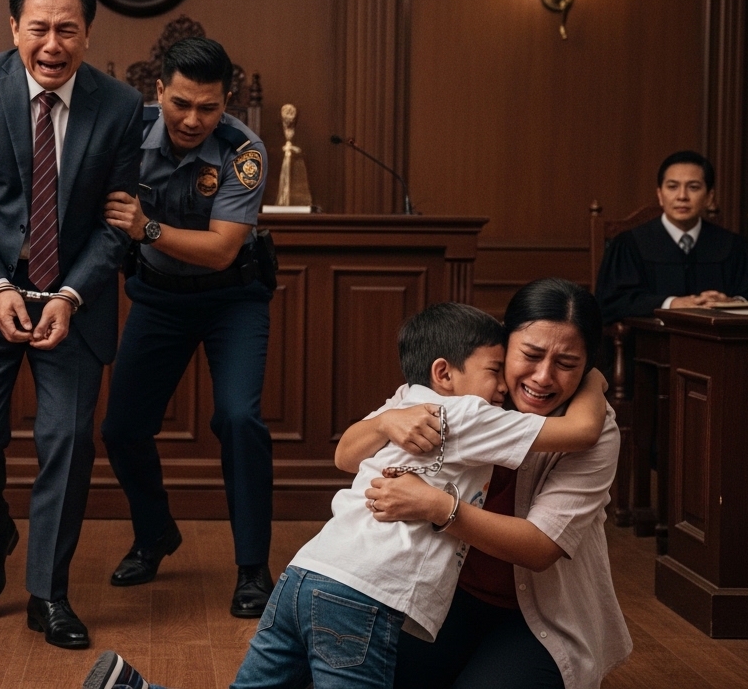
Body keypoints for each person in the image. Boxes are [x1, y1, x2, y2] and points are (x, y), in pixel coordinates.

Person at [81, 302, 608, 689]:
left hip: (305, 573)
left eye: (566, 362)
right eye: (499, 370)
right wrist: (594, 380)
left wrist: (397, 441)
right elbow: (581, 430)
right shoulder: (469, 413)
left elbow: (347, 455)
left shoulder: (407, 398)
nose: (504, 387)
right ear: (445, 373)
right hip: (366, 594)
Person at [0, 0, 143, 650]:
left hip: (73, 293)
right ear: (14, 27)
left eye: (67, 30)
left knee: (68, 443)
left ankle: (48, 594)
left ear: (88, 34)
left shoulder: (120, 105)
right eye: (39, 28)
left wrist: (71, 295)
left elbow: (117, 222)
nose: (52, 45)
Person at [350, 278, 631, 689]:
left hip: (541, 618)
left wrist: (437, 506)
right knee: (346, 668)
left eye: (568, 364)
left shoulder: (596, 430)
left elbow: (539, 547)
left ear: (587, 365)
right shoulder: (455, 388)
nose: (543, 377)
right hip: (442, 595)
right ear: (504, 342)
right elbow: (349, 454)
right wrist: (384, 422)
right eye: (530, 355)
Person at [100, 37, 277, 618]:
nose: (193, 120)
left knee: (239, 419)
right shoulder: (127, 131)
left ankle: (252, 568)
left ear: (226, 101)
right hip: (158, 298)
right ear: (159, 91)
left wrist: (146, 229)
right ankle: (155, 534)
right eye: (180, 104)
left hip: (232, 300)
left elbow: (223, 250)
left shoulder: (243, 150)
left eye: (208, 107)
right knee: (122, 429)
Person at [595, 150, 748, 323]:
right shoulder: (630, 245)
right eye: (672, 187)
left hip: (717, 346)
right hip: (652, 346)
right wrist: (671, 304)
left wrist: (734, 303)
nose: (682, 196)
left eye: (693, 187)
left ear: (709, 197)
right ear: (660, 195)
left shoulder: (734, 247)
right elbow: (611, 304)